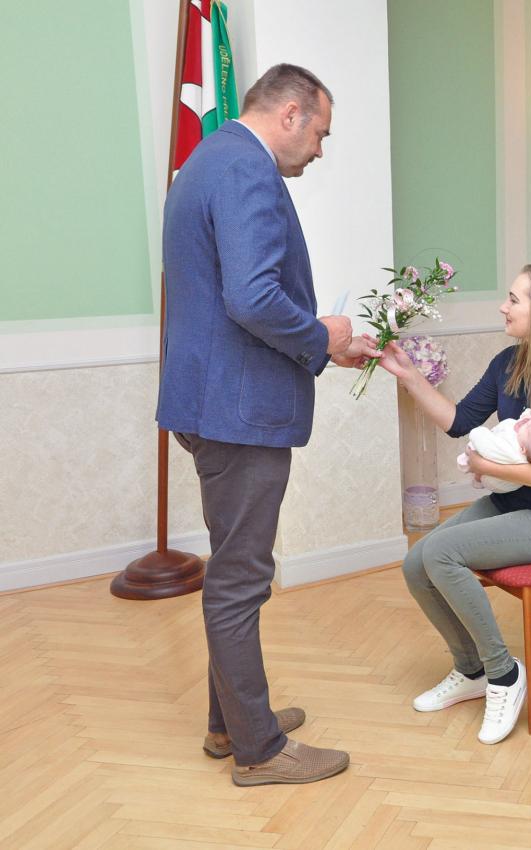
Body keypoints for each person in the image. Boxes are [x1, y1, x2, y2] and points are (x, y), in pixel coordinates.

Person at [157, 64, 377, 786]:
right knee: (240, 579)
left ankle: (233, 723)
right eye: (320, 133)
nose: (320, 150)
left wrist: (322, 344)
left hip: (214, 401)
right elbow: (252, 298)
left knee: (233, 568)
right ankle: (259, 752)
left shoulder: (209, 158)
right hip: (238, 410)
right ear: (290, 114)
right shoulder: (246, 170)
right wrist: (323, 334)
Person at [379, 263, 531, 745]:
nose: (503, 307)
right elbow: (459, 421)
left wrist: (485, 465)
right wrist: (409, 376)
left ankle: (503, 673)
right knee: (416, 563)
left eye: (514, 300)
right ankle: (471, 670)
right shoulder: (509, 362)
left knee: (442, 553)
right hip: (516, 505)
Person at [457, 408, 531, 493]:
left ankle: (478, 479)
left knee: (474, 450)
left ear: (523, 449)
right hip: (511, 481)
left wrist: (478, 432)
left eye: (528, 429)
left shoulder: (511, 451)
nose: (529, 423)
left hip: (495, 482)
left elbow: (486, 444)